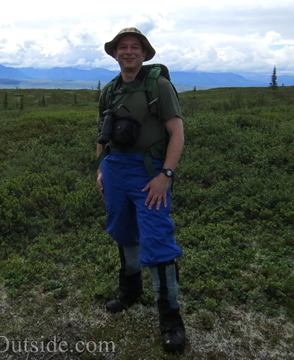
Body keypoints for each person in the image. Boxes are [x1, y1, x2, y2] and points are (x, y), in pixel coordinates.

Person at [95, 27, 186, 353]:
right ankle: (130, 291)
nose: (128, 52)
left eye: (135, 47)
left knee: (158, 240)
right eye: (122, 47)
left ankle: (170, 317)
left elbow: (177, 134)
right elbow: (102, 135)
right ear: (115, 53)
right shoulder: (109, 90)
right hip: (115, 171)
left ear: (144, 53)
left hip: (149, 174)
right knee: (122, 231)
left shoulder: (159, 86)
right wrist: (101, 169)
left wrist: (166, 176)